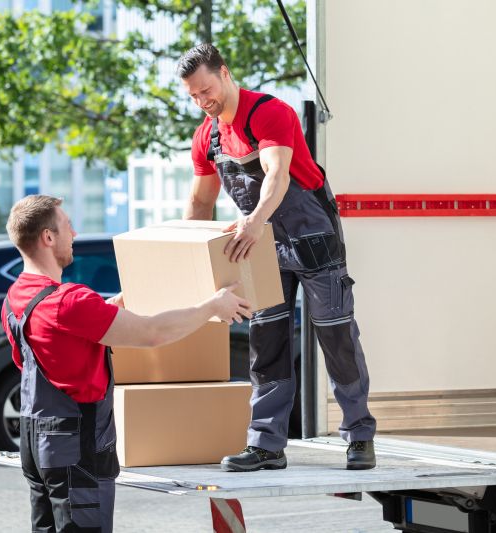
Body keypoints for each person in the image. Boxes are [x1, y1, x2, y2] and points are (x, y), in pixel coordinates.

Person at [178, 43, 377, 472]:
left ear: (225, 73)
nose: (202, 101)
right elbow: (199, 203)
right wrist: (189, 256)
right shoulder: (206, 137)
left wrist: (253, 220)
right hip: (260, 245)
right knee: (266, 342)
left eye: (206, 90)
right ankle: (266, 444)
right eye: (193, 96)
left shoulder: (269, 113)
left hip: (311, 235)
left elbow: (276, 174)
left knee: (336, 337)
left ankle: (359, 434)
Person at [1, 194, 251, 532]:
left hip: (35, 440)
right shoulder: (70, 302)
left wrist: (123, 299)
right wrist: (212, 308)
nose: (73, 233)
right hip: (76, 448)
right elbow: (152, 334)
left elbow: (67, 333)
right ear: (48, 237)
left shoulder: (16, 298)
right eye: (67, 226)